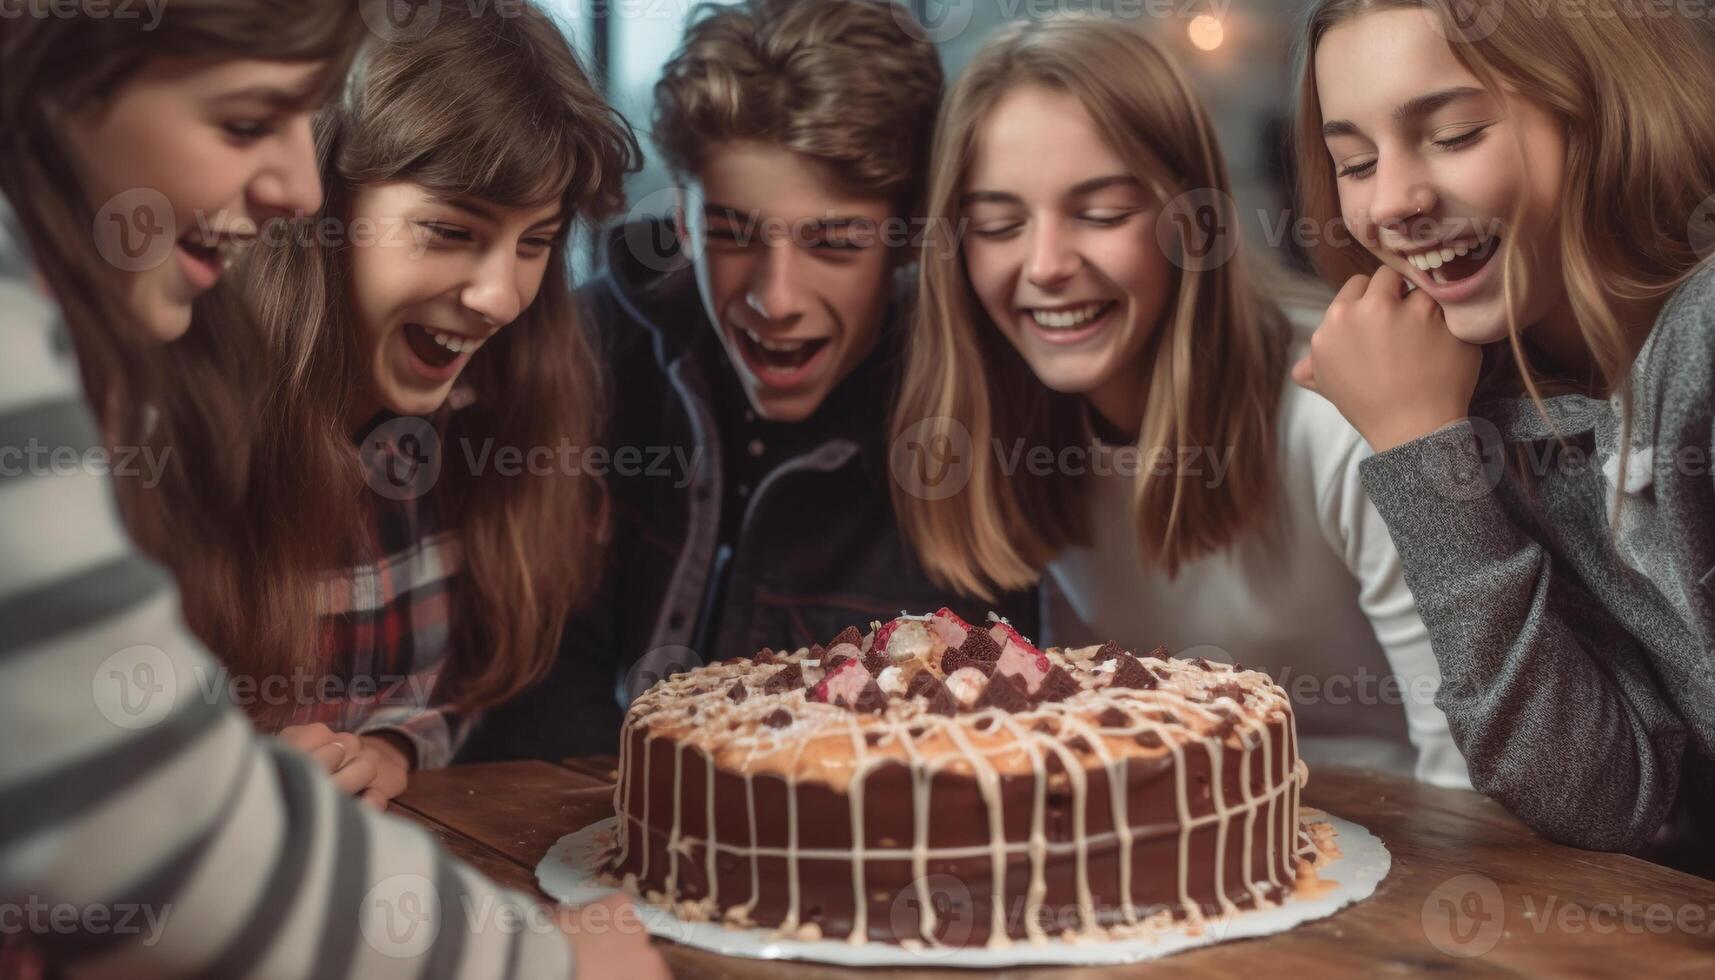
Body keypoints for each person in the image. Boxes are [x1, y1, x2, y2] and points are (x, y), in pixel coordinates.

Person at [890, 16, 1468, 786]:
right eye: (998, 224)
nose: (1046, 265)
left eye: (1100, 214)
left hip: (1403, 856)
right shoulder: (1017, 427)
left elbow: (1468, 776)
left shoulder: (1334, 413)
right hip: (1189, 855)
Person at [461, 0, 1040, 762]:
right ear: (684, 211)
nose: (775, 299)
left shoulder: (977, 414)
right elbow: (532, 671)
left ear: (903, 241)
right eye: (731, 234)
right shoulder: (588, 347)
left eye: (832, 243)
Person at [1292, 0, 1714, 861]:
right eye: (1355, 161)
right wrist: (1423, 454)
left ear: (1602, 111)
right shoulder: (1491, 409)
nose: (1394, 203)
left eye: (1453, 135)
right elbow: (1600, 797)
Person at [223, 0, 636, 806]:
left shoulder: (485, 433)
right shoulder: (145, 438)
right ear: (316, 210)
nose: (501, 297)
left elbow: (450, 691)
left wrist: (390, 747)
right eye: (450, 231)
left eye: (536, 242)